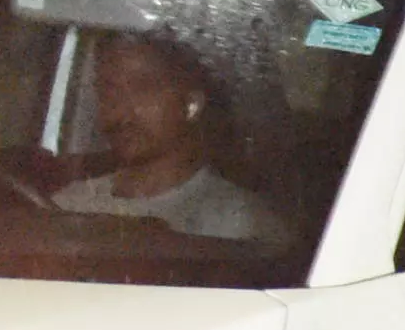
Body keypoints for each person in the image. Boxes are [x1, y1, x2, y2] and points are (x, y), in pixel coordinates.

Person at [52, 32, 272, 241]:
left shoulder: (236, 222)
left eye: (143, 89)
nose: (119, 112)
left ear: (191, 105)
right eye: (108, 92)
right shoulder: (69, 206)